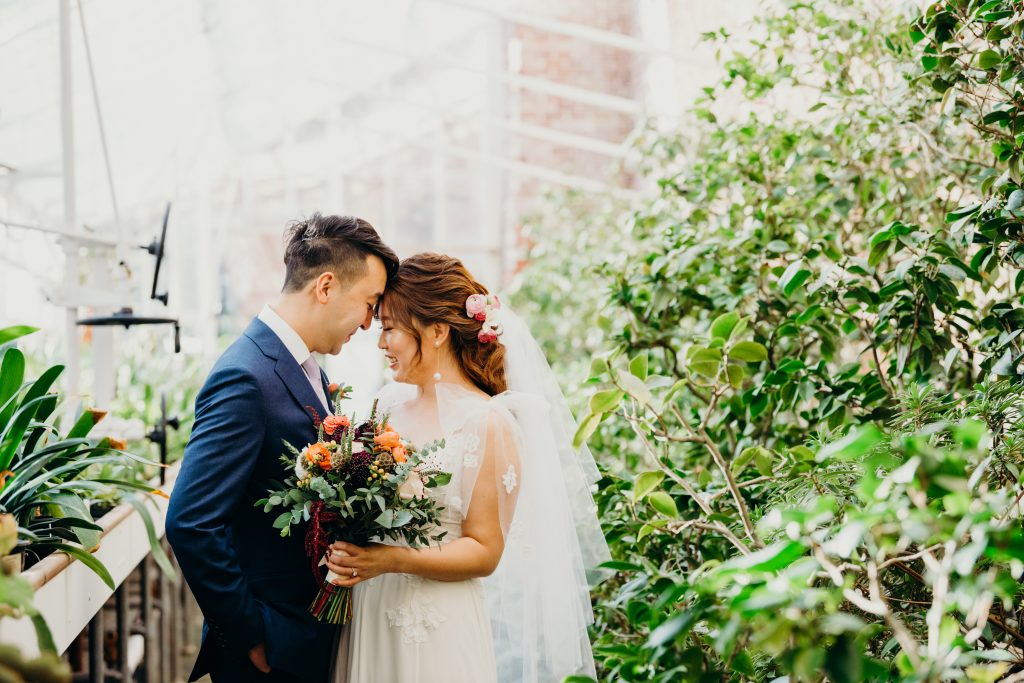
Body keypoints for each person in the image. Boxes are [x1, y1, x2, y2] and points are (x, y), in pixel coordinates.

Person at [326, 252, 610, 683]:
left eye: (389, 329)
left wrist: (391, 560)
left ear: (437, 331)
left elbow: (484, 551)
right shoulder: (386, 404)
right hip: (370, 609)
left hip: (438, 624)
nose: (381, 343)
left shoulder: (489, 423)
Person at [166, 213, 398, 682]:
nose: (370, 322)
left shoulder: (307, 369)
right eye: (369, 303)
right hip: (271, 645)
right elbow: (190, 521)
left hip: (305, 634)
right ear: (326, 286)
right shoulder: (246, 377)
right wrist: (251, 635)